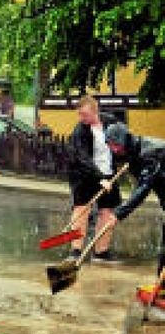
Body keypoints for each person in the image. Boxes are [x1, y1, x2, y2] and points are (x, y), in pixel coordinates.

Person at [106, 122, 165, 307]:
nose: (113, 150)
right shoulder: (132, 154)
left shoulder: (151, 153)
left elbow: (143, 189)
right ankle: (162, 287)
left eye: (115, 145)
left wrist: (118, 214)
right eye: (110, 146)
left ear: (124, 140)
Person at [67, 95, 121, 262]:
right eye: (80, 114)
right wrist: (99, 179)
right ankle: (75, 251)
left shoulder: (110, 123)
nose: (81, 118)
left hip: (109, 174)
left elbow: (122, 142)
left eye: (84, 114)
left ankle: (101, 251)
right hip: (84, 175)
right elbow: (82, 158)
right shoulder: (80, 130)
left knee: (107, 212)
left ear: (95, 111)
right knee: (81, 210)